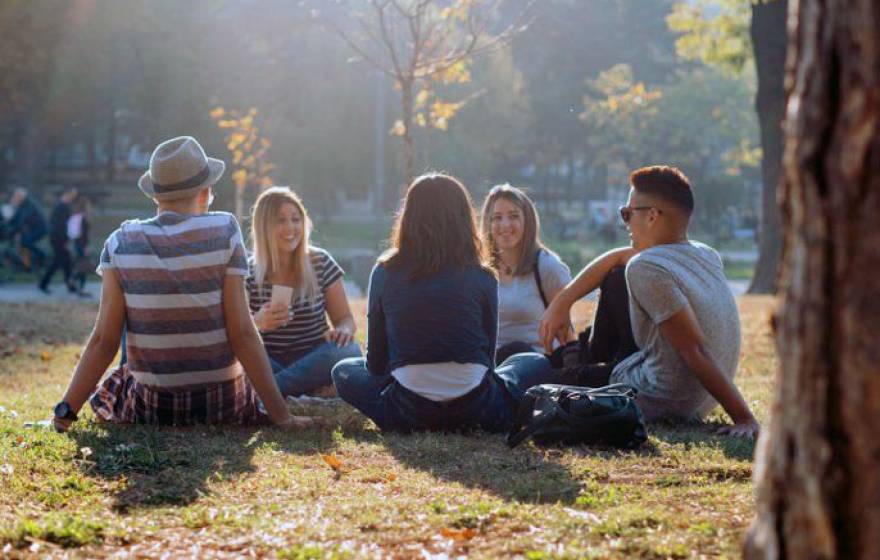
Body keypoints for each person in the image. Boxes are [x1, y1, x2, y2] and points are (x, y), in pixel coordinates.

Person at [52, 136, 309, 431]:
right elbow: (243, 334)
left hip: (153, 409)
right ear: (206, 191)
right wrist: (282, 416)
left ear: (155, 196)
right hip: (222, 404)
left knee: (126, 349)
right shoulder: (224, 230)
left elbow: (103, 341)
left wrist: (65, 412)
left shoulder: (120, 241)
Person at [539, 165, 759, 438]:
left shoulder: (646, 268)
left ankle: (578, 365)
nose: (626, 222)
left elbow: (695, 349)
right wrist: (564, 300)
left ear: (652, 215)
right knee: (616, 277)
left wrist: (744, 417)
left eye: (628, 213)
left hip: (661, 397)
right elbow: (618, 257)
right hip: (699, 399)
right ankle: (581, 361)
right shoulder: (704, 253)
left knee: (531, 381)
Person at [331, 173, 552, 433]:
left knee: (343, 371)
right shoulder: (482, 275)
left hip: (407, 411)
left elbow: (376, 364)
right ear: (463, 218)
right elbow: (487, 362)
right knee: (534, 362)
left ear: (408, 216)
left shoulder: (384, 271)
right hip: (479, 409)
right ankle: (500, 410)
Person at [246, 187, 361, 398]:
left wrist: (343, 330)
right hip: (269, 360)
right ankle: (304, 388)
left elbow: (345, 319)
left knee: (349, 351)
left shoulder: (321, 262)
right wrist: (257, 322)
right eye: (281, 220)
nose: (291, 227)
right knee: (240, 359)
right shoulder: (247, 273)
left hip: (315, 356)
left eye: (296, 219)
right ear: (264, 226)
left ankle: (270, 391)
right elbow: (239, 334)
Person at [480, 184, 571, 363]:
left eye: (514, 216)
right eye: (497, 218)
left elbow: (567, 334)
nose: (505, 225)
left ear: (527, 221)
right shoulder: (480, 271)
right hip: (492, 366)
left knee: (518, 351)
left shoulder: (547, 267)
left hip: (536, 365)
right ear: (488, 224)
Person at [39, 186, 78, 294]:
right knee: (58, 262)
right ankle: (43, 284)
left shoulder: (60, 206)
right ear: (68, 194)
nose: (74, 197)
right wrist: (65, 240)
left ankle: (70, 285)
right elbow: (60, 226)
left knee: (66, 261)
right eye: (73, 195)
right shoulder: (62, 207)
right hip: (59, 239)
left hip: (57, 238)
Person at [7, 187, 47, 271]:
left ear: (22, 196)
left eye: (16, 196)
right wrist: (7, 225)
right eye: (15, 196)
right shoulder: (21, 205)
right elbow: (15, 219)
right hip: (33, 229)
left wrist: (12, 230)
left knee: (25, 242)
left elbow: (21, 221)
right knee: (23, 244)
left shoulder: (29, 205)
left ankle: (43, 255)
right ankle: (27, 265)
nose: (15, 198)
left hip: (41, 228)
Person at [68, 194, 91, 296]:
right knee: (83, 266)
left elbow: (72, 233)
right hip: (82, 245)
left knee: (80, 265)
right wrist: (86, 246)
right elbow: (84, 234)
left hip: (75, 244)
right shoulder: (83, 218)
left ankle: (74, 280)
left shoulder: (74, 216)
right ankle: (78, 286)